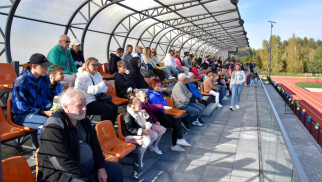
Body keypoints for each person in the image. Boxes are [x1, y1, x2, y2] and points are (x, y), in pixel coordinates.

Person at [38, 88, 123, 182]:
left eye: (84, 104)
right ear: (65, 107)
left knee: (116, 169)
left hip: (88, 166)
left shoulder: (82, 119)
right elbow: (63, 163)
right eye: (79, 106)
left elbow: (95, 145)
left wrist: (101, 167)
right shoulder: (53, 128)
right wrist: (88, 178)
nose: (84, 109)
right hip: (63, 174)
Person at [12, 53, 56, 147]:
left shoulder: (44, 78)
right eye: (44, 66)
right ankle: (42, 153)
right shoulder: (21, 81)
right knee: (46, 123)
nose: (46, 69)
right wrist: (43, 112)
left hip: (41, 111)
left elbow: (49, 95)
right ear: (34, 66)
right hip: (22, 115)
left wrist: (54, 87)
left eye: (47, 66)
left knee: (63, 115)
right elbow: (22, 107)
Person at [147, 78, 191, 152]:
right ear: (152, 86)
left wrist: (162, 102)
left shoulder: (158, 93)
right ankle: (177, 142)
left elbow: (164, 102)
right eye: (157, 86)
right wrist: (163, 103)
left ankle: (178, 141)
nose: (159, 88)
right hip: (159, 116)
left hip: (163, 113)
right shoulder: (153, 96)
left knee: (177, 120)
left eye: (159, 86)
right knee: (176, 123)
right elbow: (159, 106)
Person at [75, 57, 118, 125]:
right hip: (86, 102)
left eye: (97, 65)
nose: (95, 67)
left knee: (114, 107)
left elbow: (104, 89)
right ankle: (104, 130)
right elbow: (91, 91)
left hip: (96, 99)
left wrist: (100, 87)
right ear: (87, 65)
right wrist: (102, 84)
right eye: (93, 65)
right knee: (108, 108)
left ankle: (110, 128)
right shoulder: (83, 76)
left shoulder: (97, 74)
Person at [122, 97, 158, 168]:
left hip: (139, 131)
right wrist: (142, 131)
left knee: (155, 135)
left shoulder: (136, 111)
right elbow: (129, 129)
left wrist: (143, 114)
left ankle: (142, 149)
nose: (141, 107)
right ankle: (139, 156)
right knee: (147, 141)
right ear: (133, 107)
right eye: (139, 106)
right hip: (130, 135)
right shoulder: (128, 116)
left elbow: (143, 120)